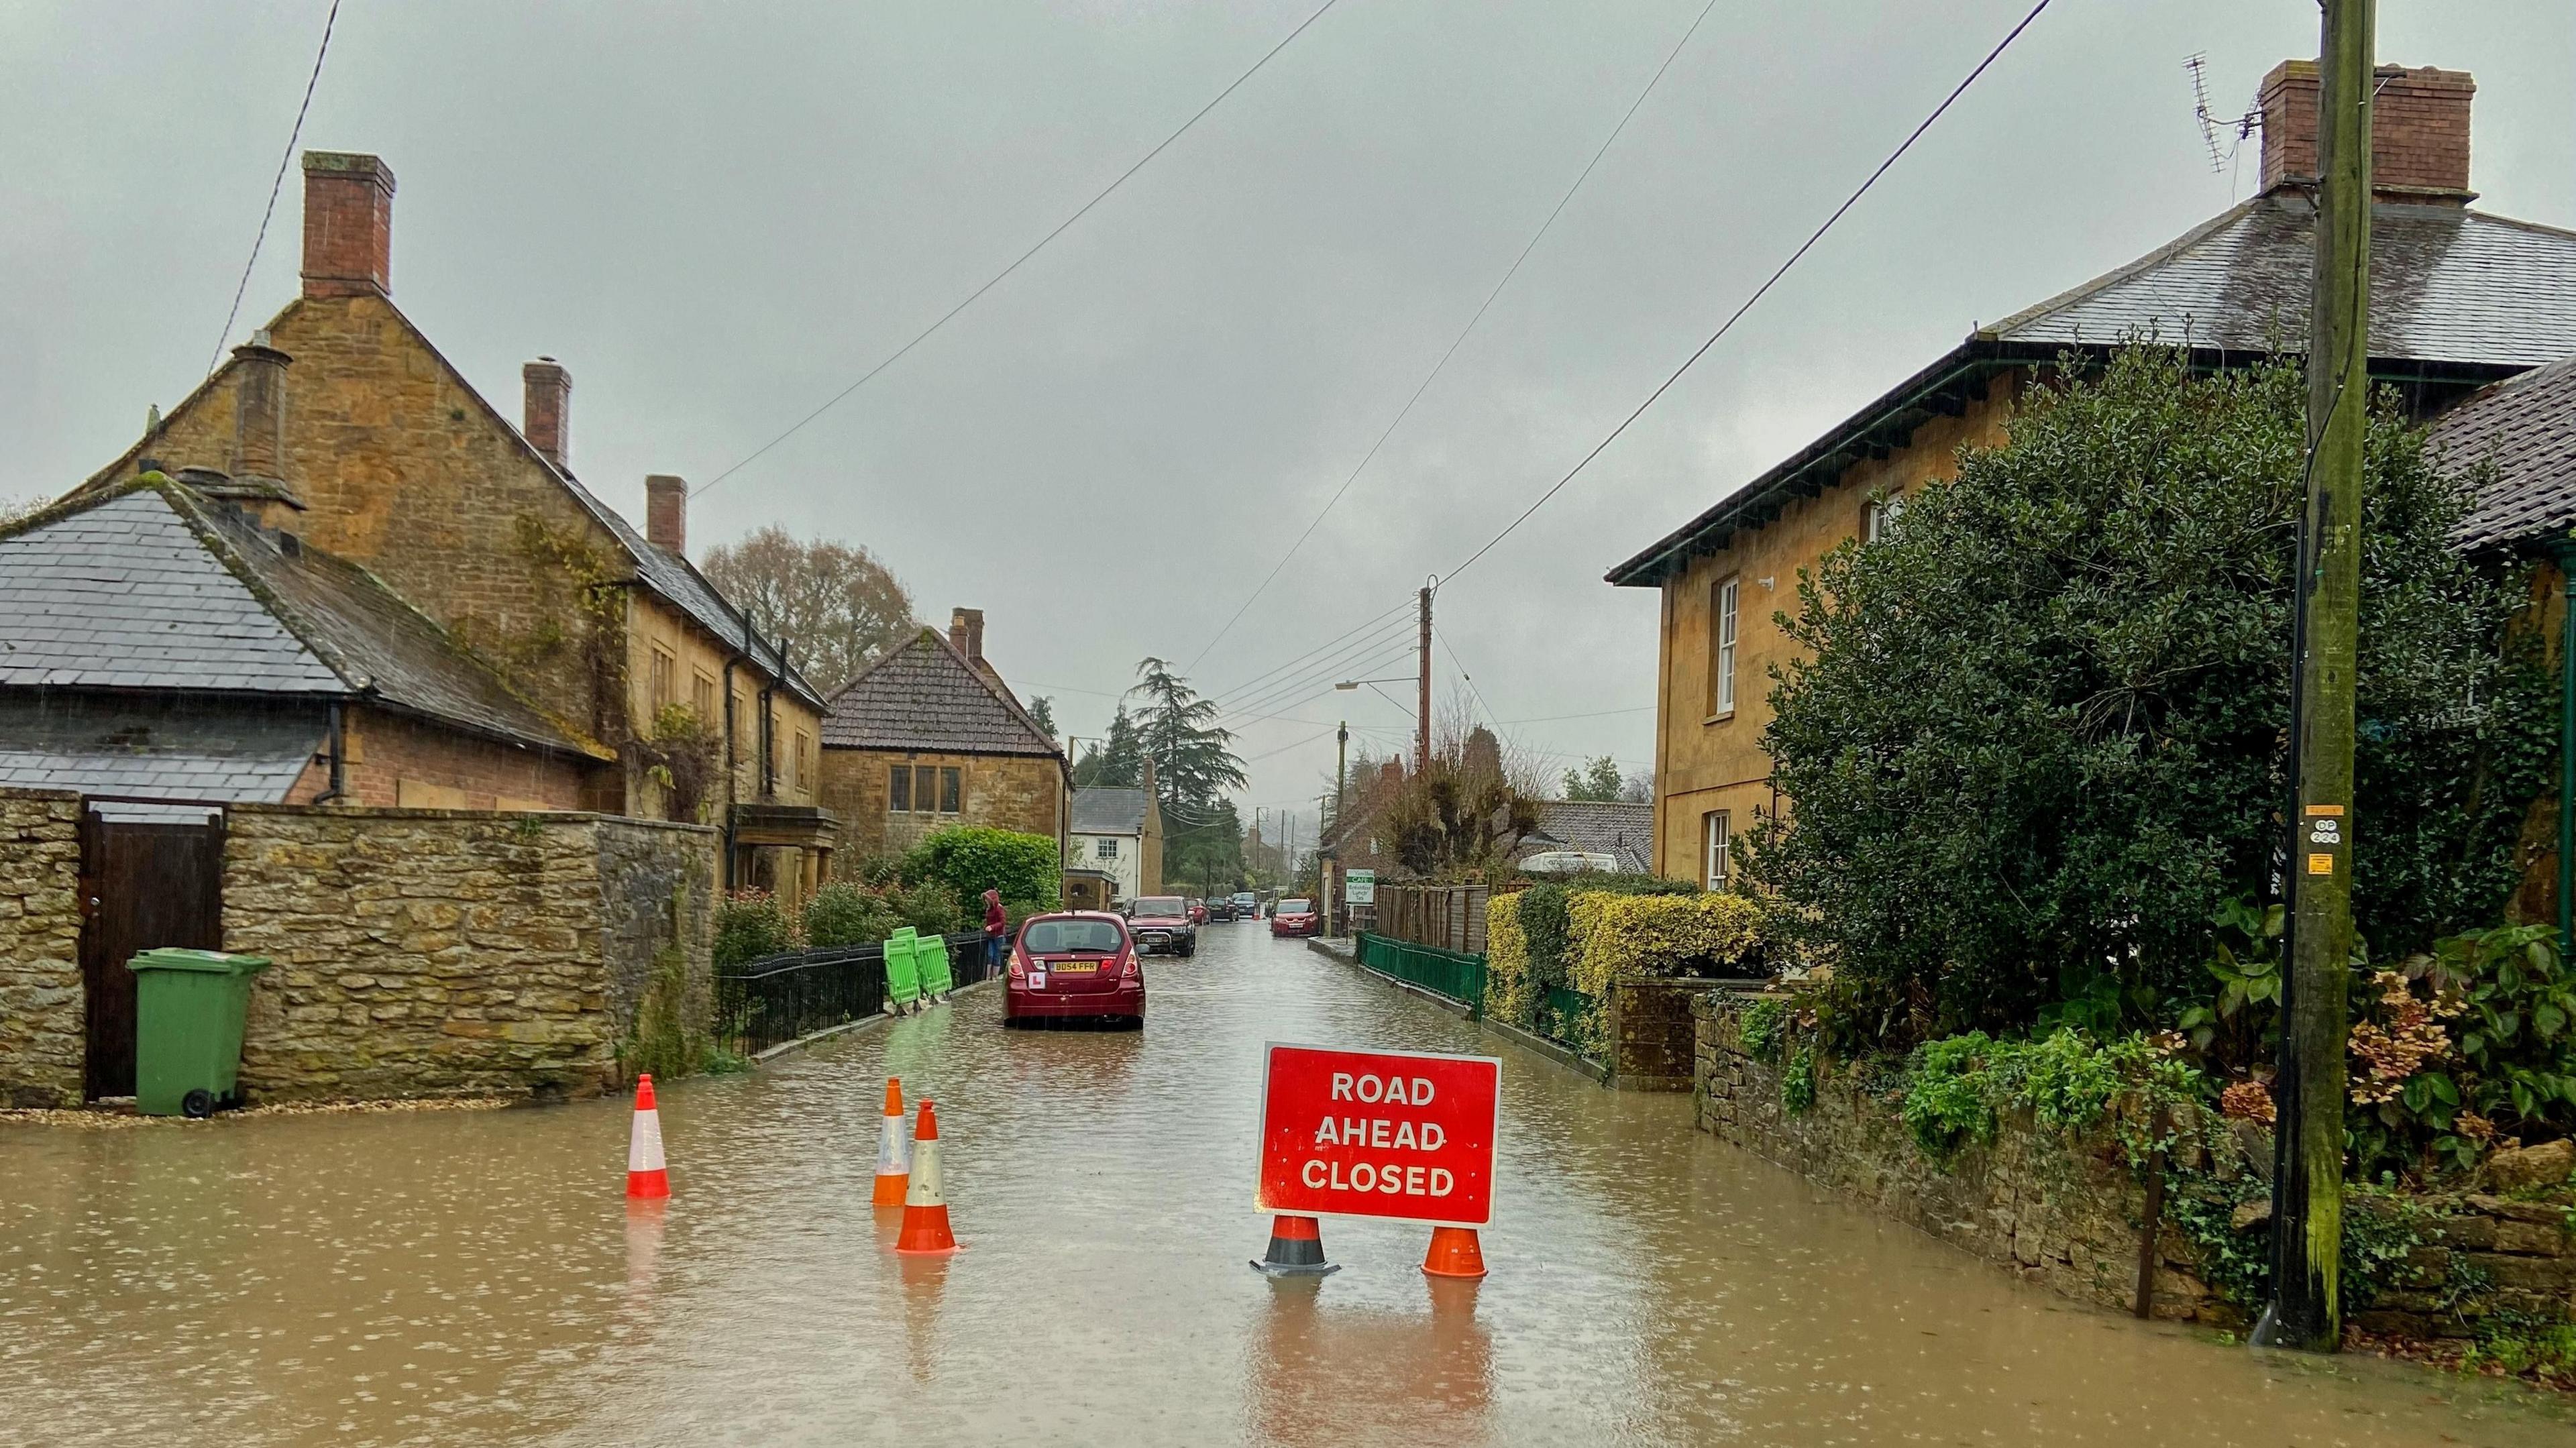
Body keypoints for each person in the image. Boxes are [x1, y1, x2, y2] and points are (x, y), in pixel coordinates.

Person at [982, 889, 1008, 976]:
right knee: (990, 955)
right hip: (991, 936)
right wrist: (986, 927)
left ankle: (994, 977)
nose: (986, 901)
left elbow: (1003, 922)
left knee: (997, 956)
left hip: (999, 936)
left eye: (987, 899)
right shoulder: (988, 909)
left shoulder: (999, 908)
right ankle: (988, 976)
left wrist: (992, 927)